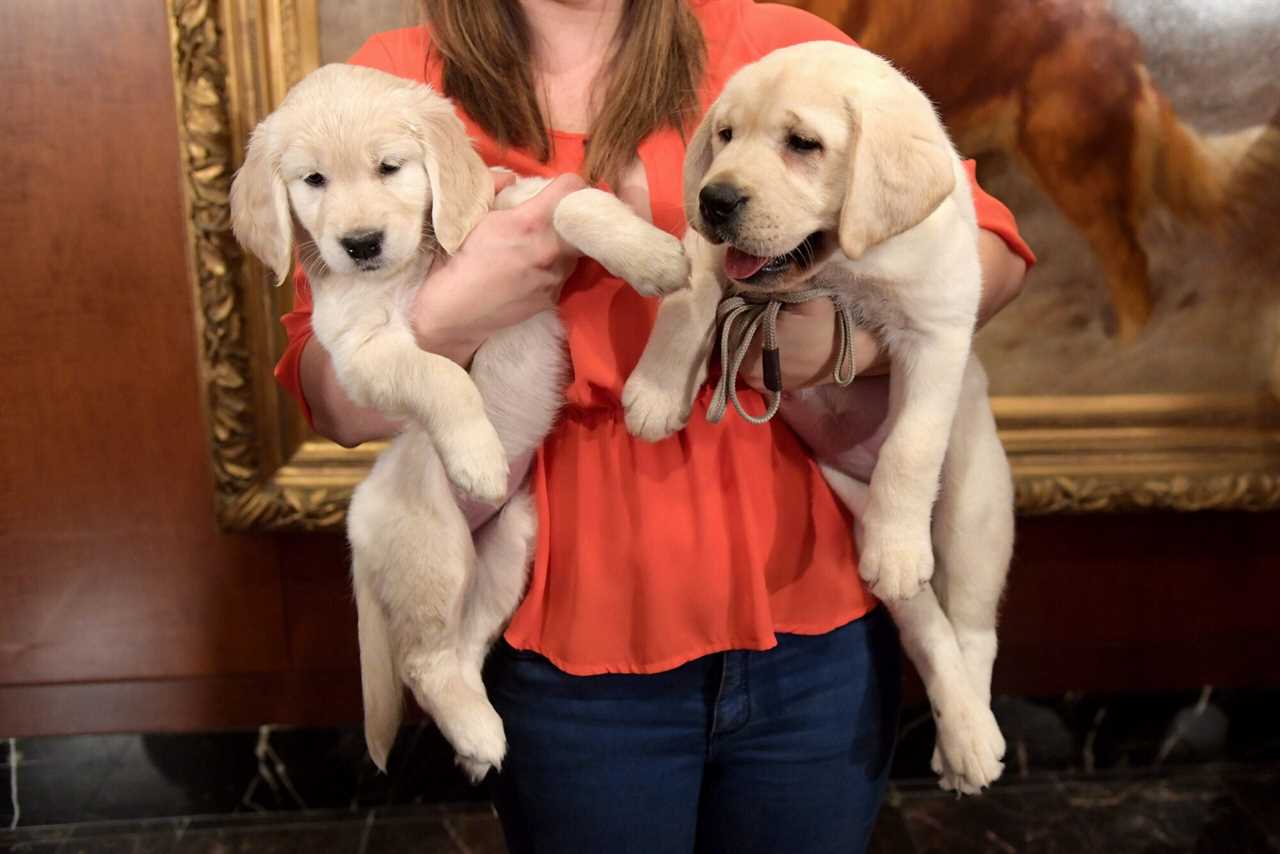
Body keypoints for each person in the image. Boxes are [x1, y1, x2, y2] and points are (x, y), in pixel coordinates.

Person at [275, 1, 1035, 851]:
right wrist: (452, 312)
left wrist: (841, 350)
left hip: (812, 620)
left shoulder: (772, 42)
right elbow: (334, 400)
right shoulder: (399, 74)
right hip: (567, 635)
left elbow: (991, 250)